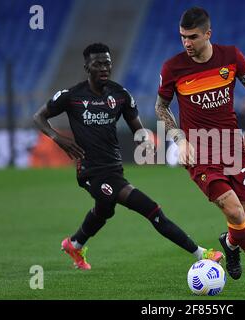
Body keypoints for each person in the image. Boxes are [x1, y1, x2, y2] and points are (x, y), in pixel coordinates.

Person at [33, 43, 223, 270]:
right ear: (87, 67)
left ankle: (74, 243)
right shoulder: (71, 96)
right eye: (98, 64)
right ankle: (201, 254)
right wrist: (58, 138)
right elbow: (39, 117)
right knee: (151, 209)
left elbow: (138, 129)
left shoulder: (120, 95)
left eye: (107, 63)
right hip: (91, 171)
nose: (104, 68)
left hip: (114, 168)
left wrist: (146, 141)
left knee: (105, 210)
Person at [155, 7, 245, 288]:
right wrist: (179, 140)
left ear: (208, 34)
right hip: (200, 153)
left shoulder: (231, 57)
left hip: (232, 146)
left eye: (192, 37)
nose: (186, 43)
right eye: (182, 37)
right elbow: (161, 107)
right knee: (234, 211)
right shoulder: (173, 68)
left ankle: (230, 244)